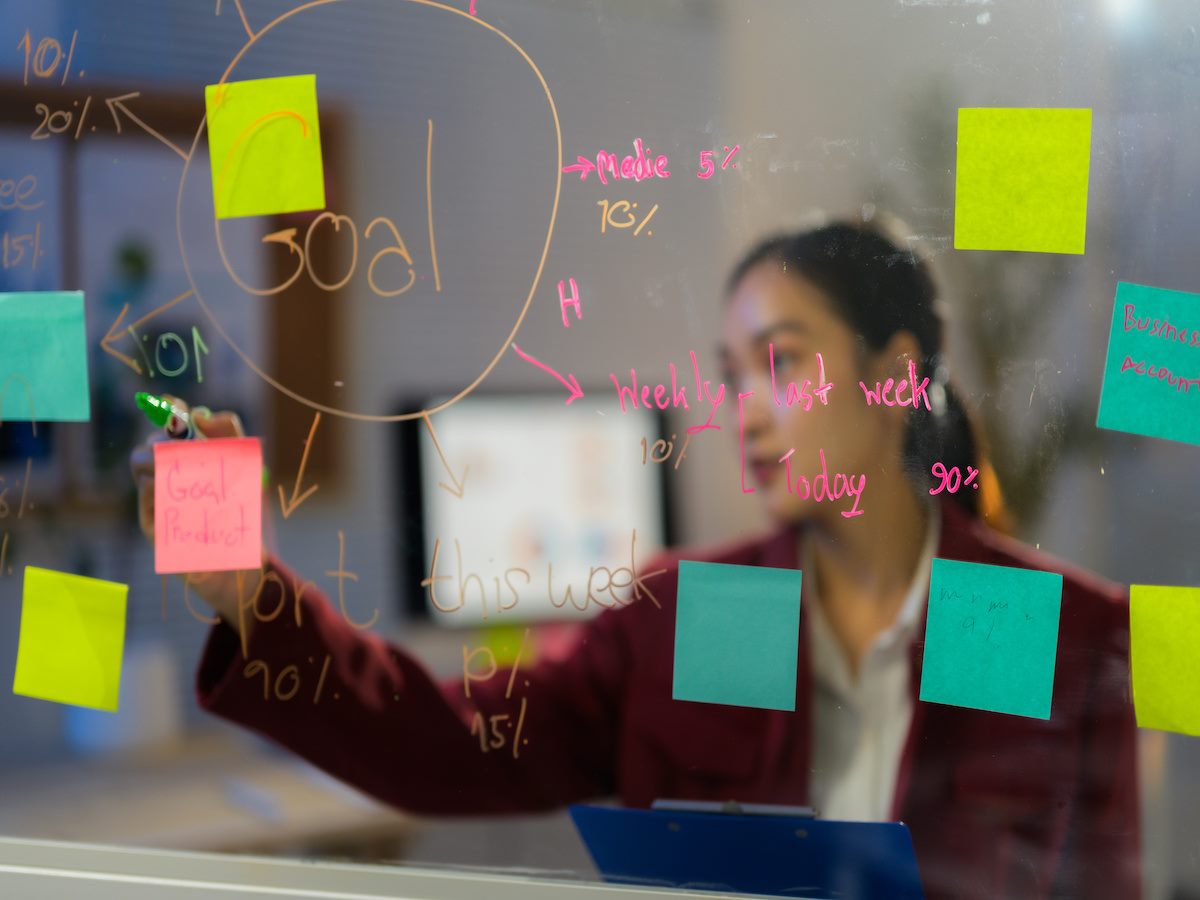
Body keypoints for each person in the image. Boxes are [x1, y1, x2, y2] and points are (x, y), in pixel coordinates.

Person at [131, 217, 1139, 900]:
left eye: (781, 362)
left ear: (894, 374)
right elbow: (447, 743)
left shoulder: (1039, 625)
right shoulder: (705, 612)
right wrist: (252, 594)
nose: (746, 412)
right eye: (732, 376)